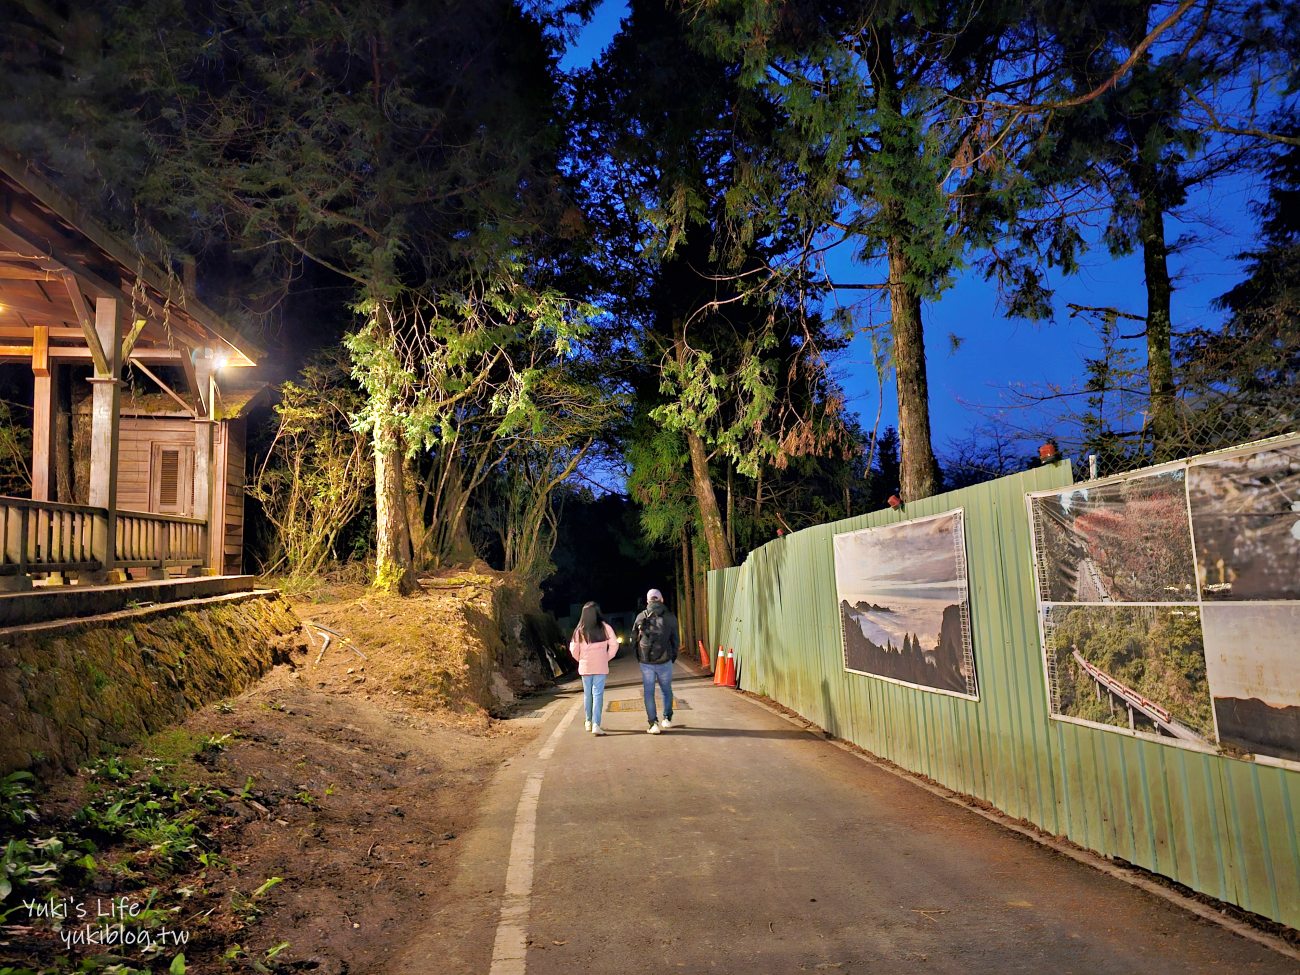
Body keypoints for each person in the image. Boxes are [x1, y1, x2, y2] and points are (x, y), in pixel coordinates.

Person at [631, 588, 679, 734]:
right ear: (661, 599)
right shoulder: (670, 617)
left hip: (646, 662)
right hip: (665, 660)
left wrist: (638, 656)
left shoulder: (641, 616)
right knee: (666, 690)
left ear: (648, 601)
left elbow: (633, 639)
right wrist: (673, 657)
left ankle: (653, 724)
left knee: (649, 692)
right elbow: (675, 640)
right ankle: (667, 719)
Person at [569, 601, 619, 736]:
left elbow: (573, 649)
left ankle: (588, 721)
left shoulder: (579, 630)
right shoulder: (605, 627)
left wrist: (580, 659)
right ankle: (596, 724)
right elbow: (614, 645)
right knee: (598, 694)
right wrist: (606, 657)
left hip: (585, 666)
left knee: (587, 694)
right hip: (600, 666)